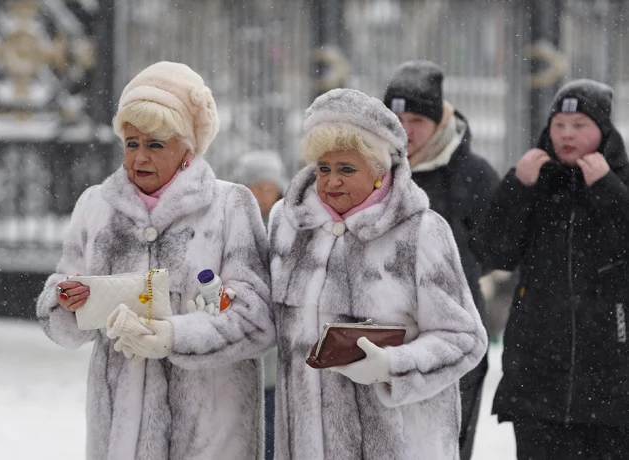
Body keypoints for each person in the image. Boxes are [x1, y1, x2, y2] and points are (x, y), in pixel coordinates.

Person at [36, 61, 276, 460]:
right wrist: (64, 300)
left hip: (211, 433)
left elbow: (256, 321)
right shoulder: (96, 206)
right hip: (121, 435)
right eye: (132, 144)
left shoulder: (230, 206)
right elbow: (64, 317)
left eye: (155, 145)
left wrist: (174, 336)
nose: (139, 158)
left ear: (187, 149)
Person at [269, 88, 488, 460]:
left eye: (346, 169)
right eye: (324, 168)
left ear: (379, 170)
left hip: (400, 446)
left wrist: (393, 366)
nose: (331, 181)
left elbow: (465, 338)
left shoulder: (421, 233)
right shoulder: (288, 225)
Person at [472, 79, 629, 459]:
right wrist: (517, 187)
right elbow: (494, 253)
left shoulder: (620, 182)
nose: (567, 135)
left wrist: (607, 190)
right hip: (538, 377)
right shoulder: (536, 183)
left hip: (610, 380)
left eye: (580, 126)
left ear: (603, 131)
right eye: (559, 125)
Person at [383, 60, 499, 460]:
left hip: (454, 335)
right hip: (382, 338)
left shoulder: (472, 174)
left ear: (439, 120)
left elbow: (493, 250)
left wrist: (445, 280)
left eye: (416, 118)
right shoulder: (368, 171)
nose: (404, 129)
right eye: (396, 117)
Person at [230, 149, 289, 460]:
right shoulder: (231, 227)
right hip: (241, 348)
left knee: (272, 434)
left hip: (278, 357)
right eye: (257, 187)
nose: (264, 195)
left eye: (270, 187)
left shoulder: (290, 228)